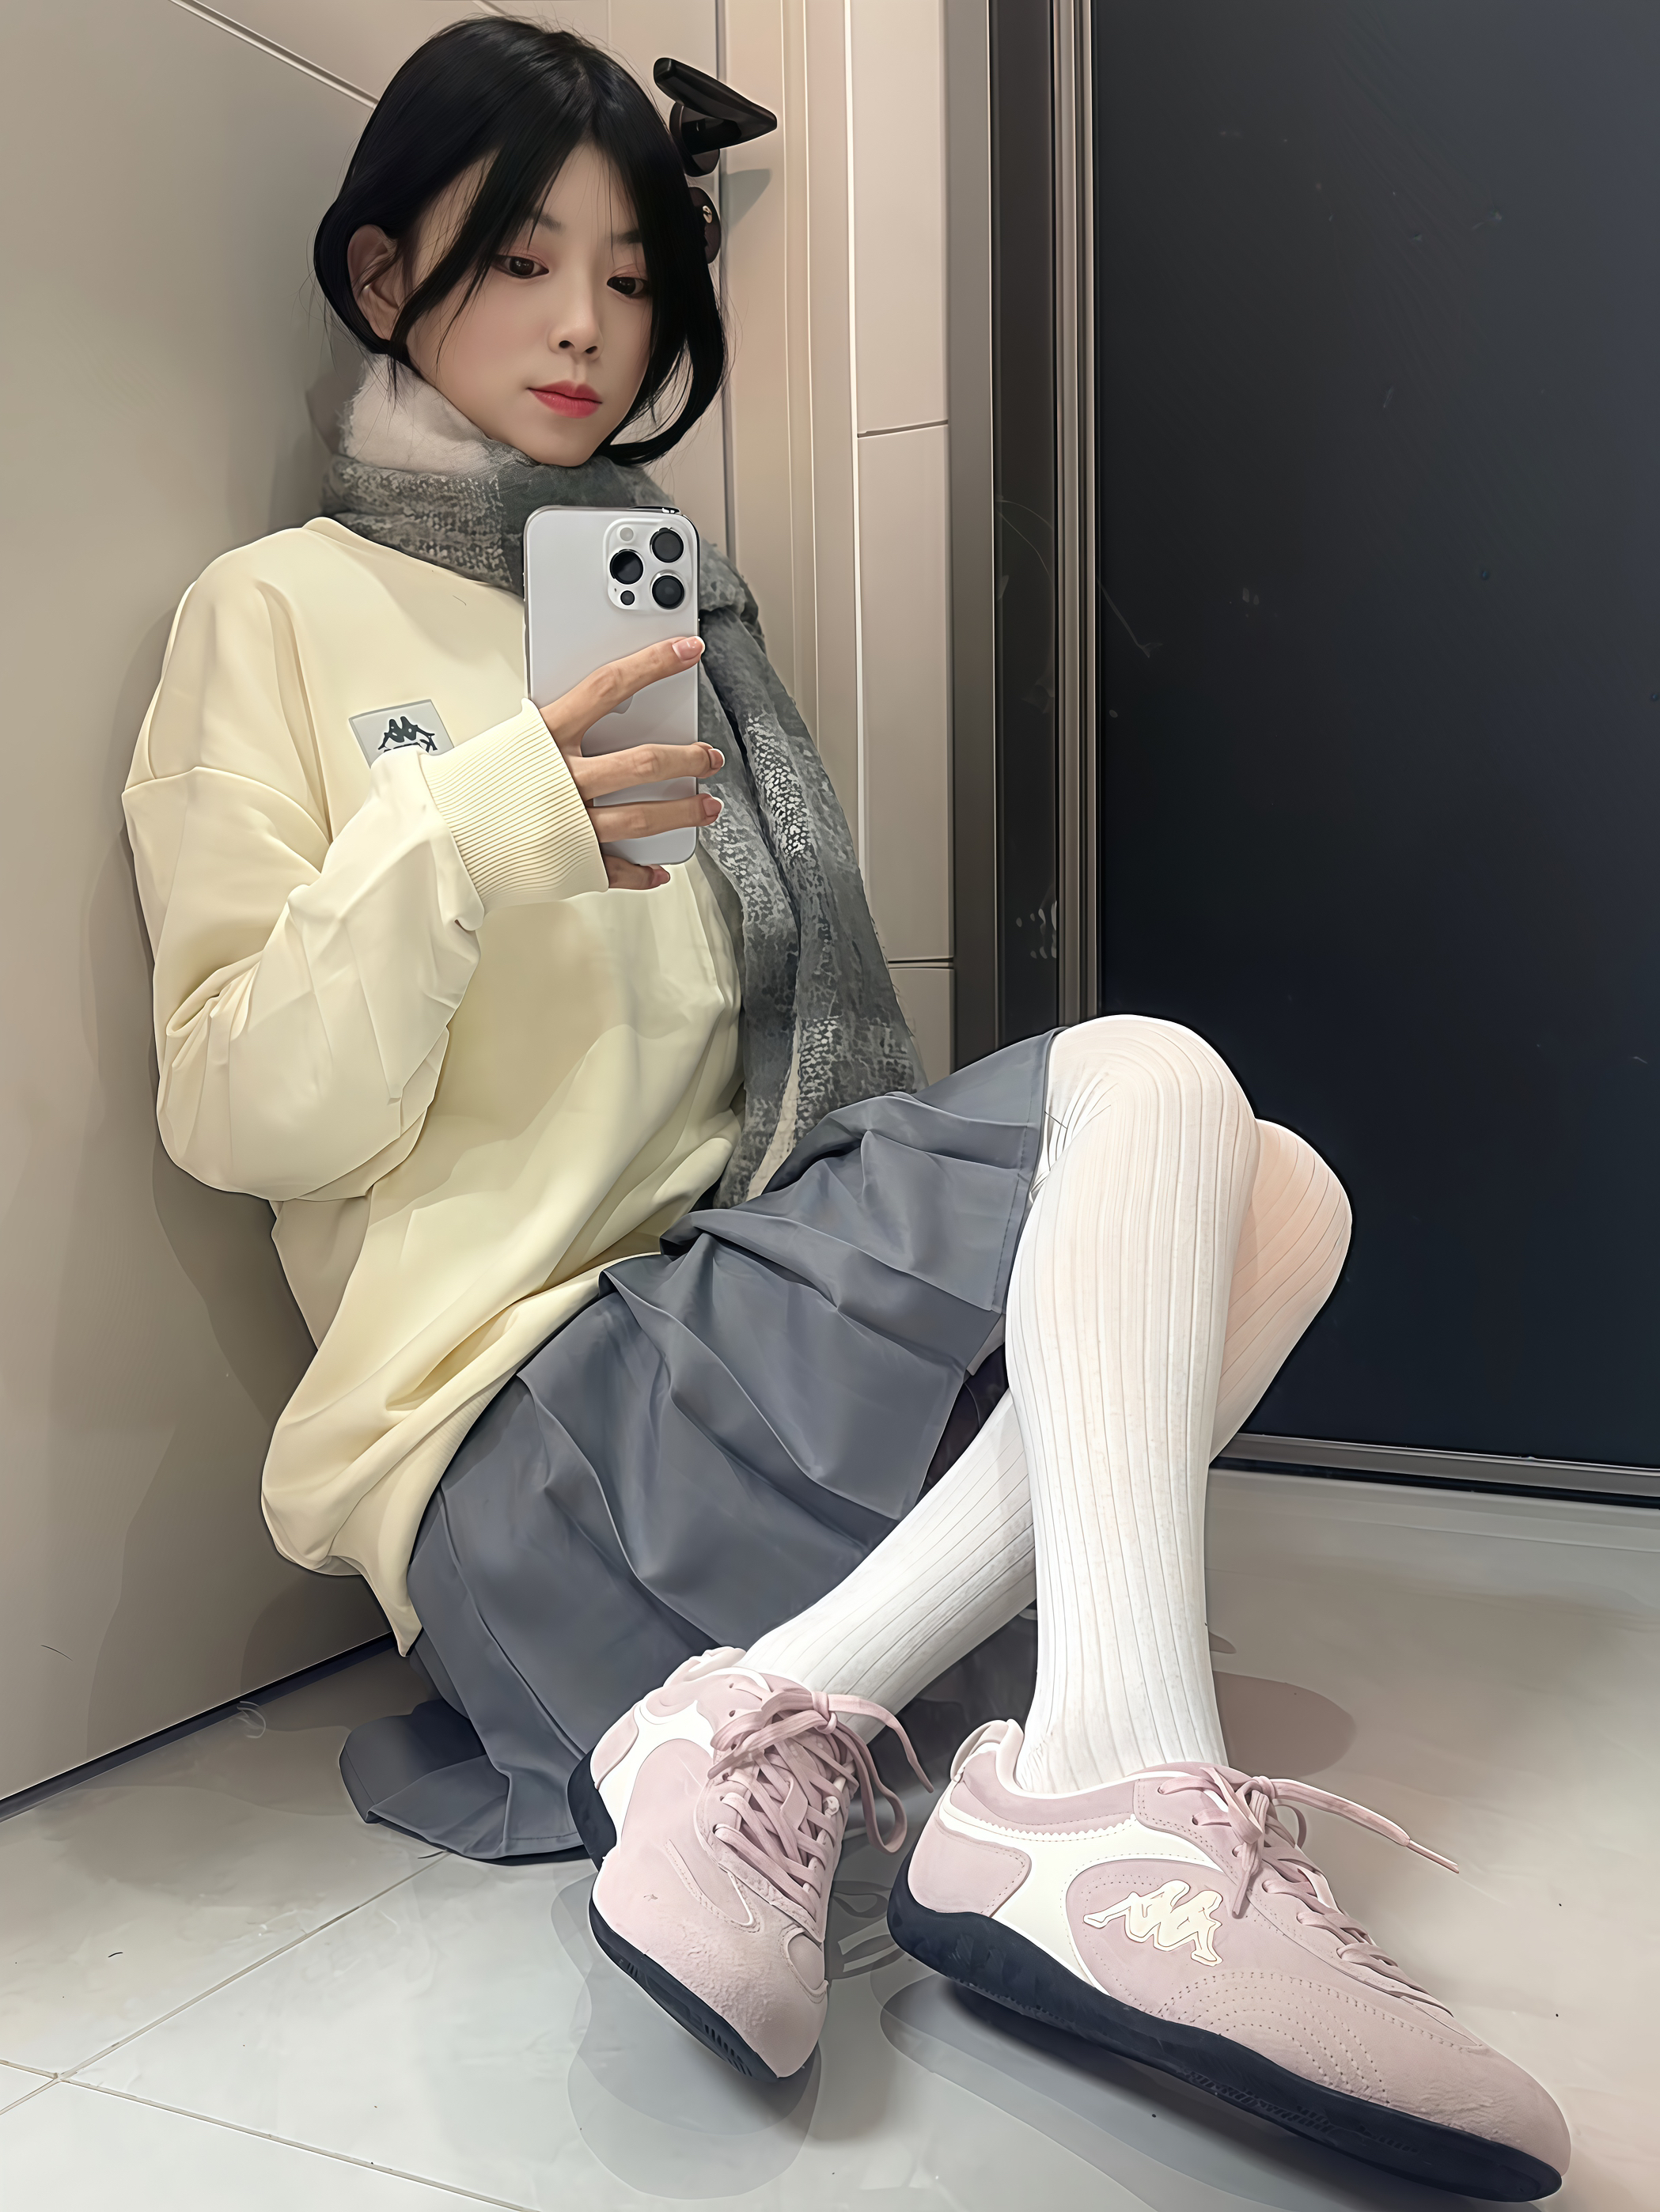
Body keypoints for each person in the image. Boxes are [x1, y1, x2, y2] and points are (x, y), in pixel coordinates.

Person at [123, 20, 1567, 2201]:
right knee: (1157, 1080)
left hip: (722, 1363)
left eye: (631, 278)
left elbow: (765, 1111)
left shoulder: (679, 615)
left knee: (1276, 1194)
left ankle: (776, 1722)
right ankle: (1102, 1793)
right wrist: (478, 822)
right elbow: (239, 1108)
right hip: (516, 1456)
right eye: (519, 260)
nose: (586, 328)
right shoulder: (276, 611)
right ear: (381, 270)